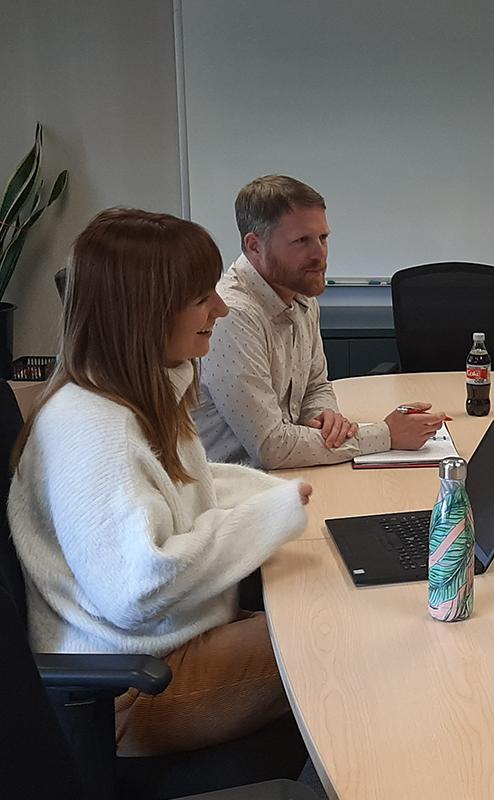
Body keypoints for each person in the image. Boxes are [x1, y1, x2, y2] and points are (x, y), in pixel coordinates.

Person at [9, 208, 311, 756]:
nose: (221, 308)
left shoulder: (138, 392)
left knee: (329, 600)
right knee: (342, 634)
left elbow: (191, 487)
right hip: (130, 688)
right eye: (202, 298)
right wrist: (273, 516)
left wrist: (282, 500)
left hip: (172, 643)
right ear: (144, 313)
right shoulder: (95, 428)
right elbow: (137, 587)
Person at [194, 175, 447, 468]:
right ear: (255, 246)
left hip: (288, 477)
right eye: (302, 241)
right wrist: (387, 434)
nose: (320, 254)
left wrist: (325, 417)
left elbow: (316, 385)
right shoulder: (231, 315)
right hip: (234, 493)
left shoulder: (300, 294)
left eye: (323, 238)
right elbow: (270, 448)